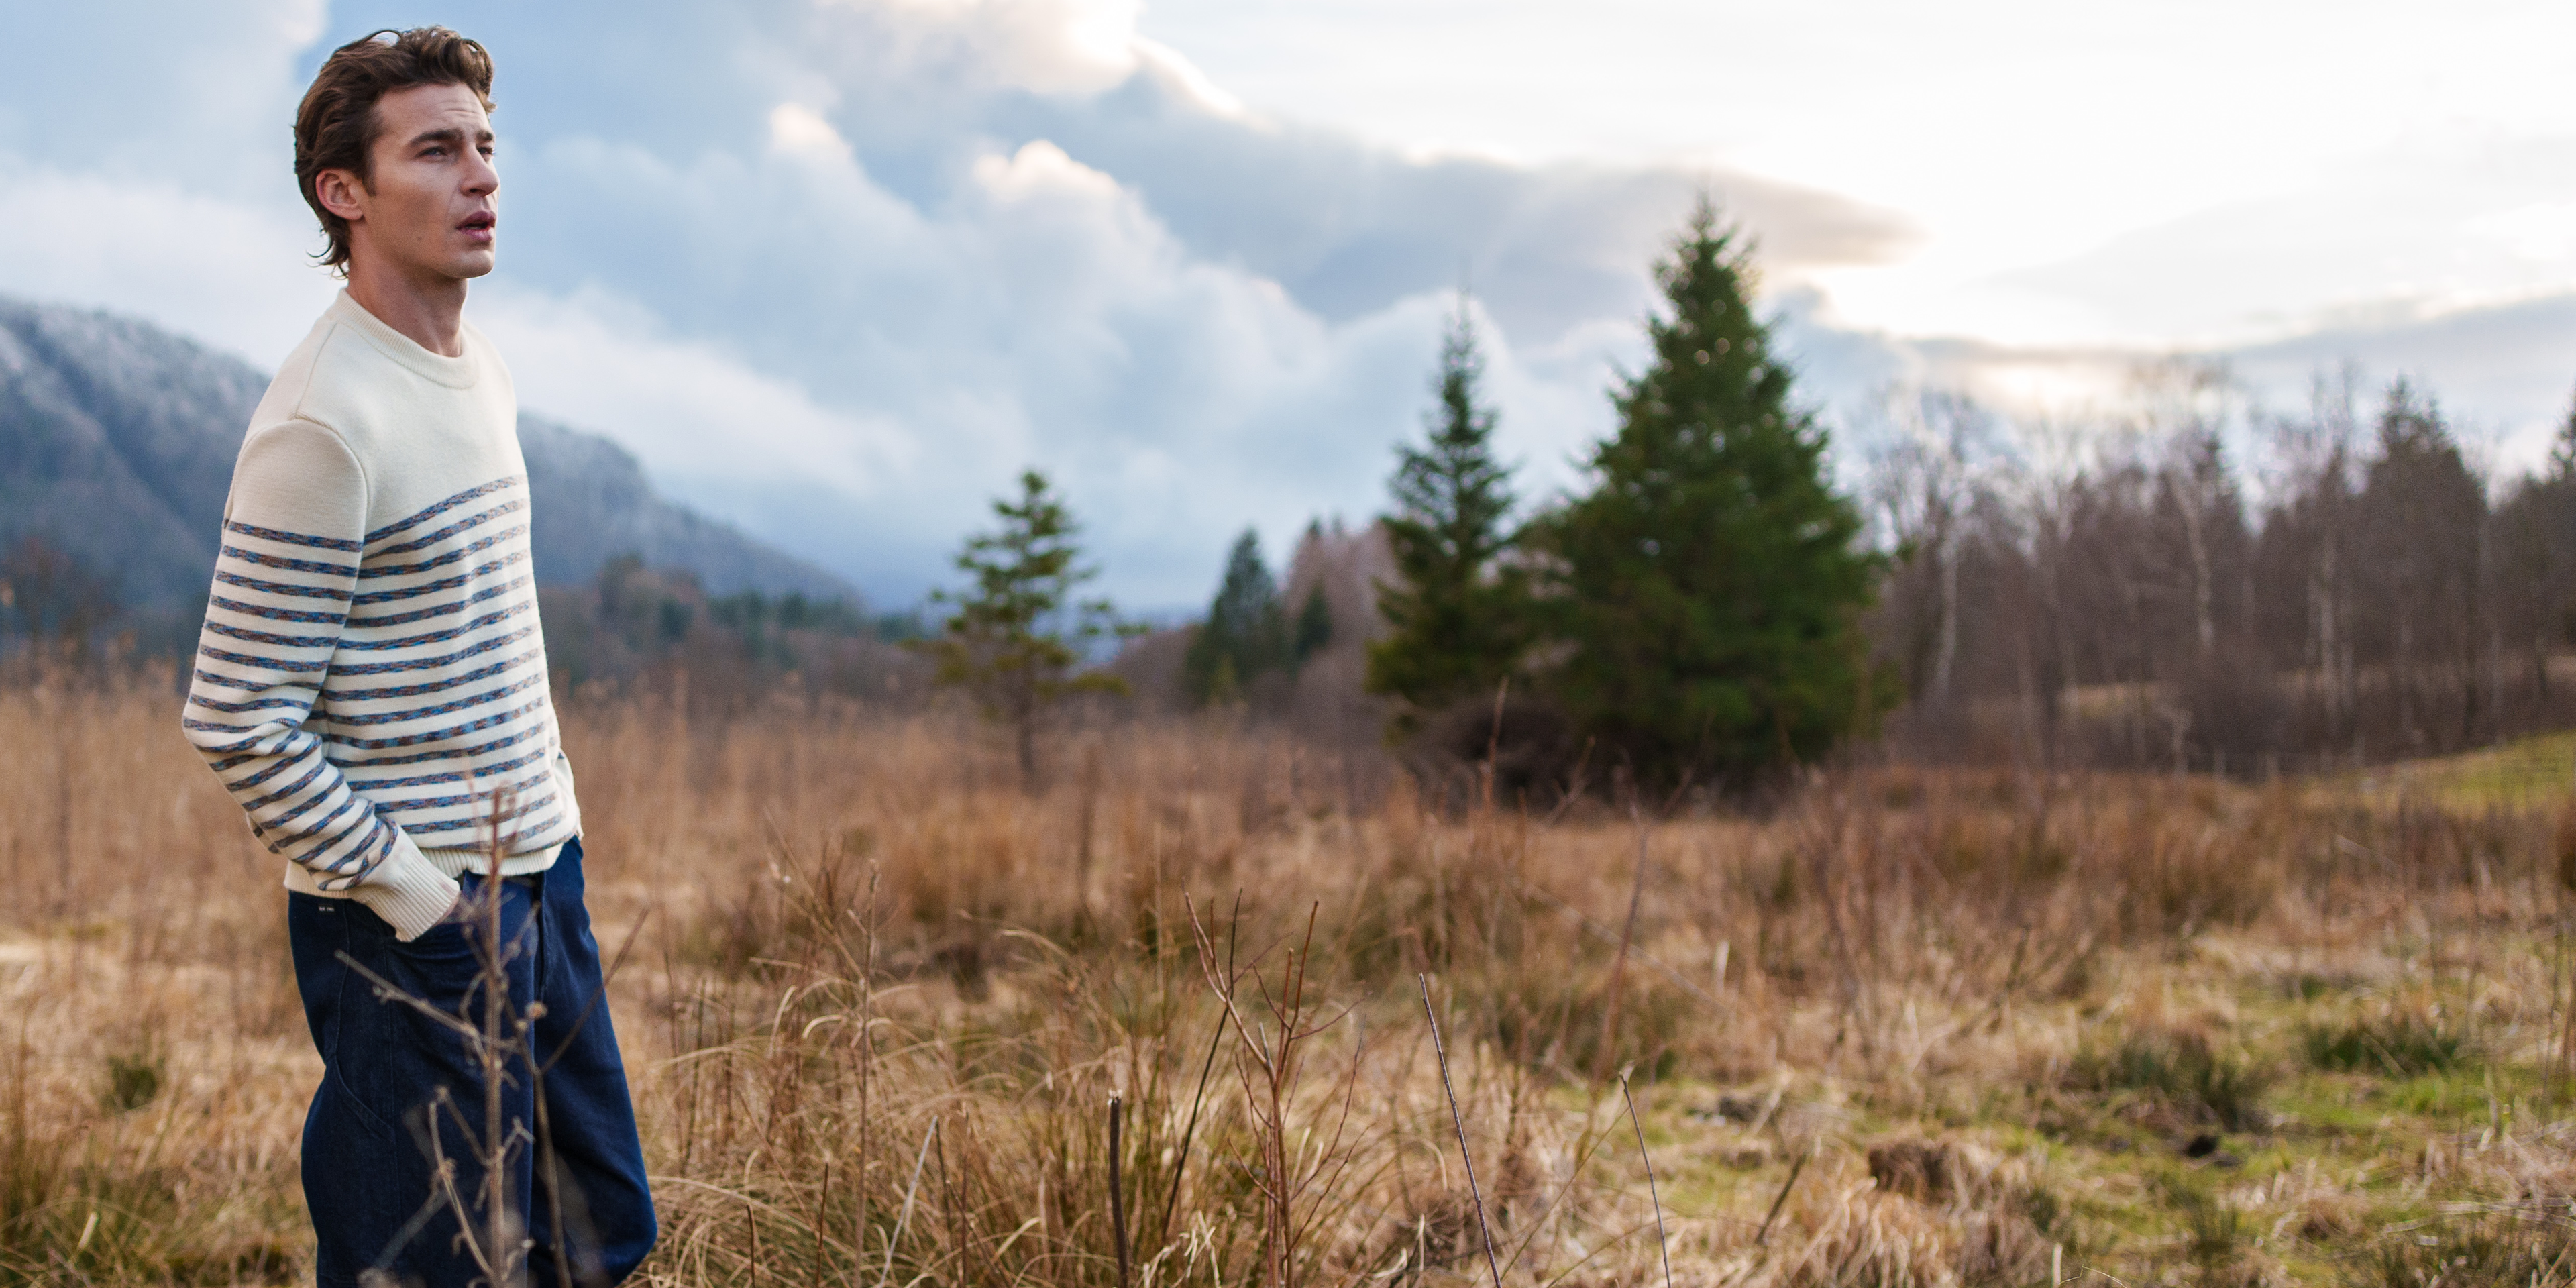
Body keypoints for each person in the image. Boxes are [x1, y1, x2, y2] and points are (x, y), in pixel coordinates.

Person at [178, 27, 656, 1287]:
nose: (481, 177)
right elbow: (237, 715)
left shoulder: (474, 367)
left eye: (487, 147)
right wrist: (420, 898)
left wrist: (548, 837)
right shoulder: (322, 425)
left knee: (594, 1239)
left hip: (542, 881)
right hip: (417, 924)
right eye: (437, 151)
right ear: (346, 193)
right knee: (423, 1266)